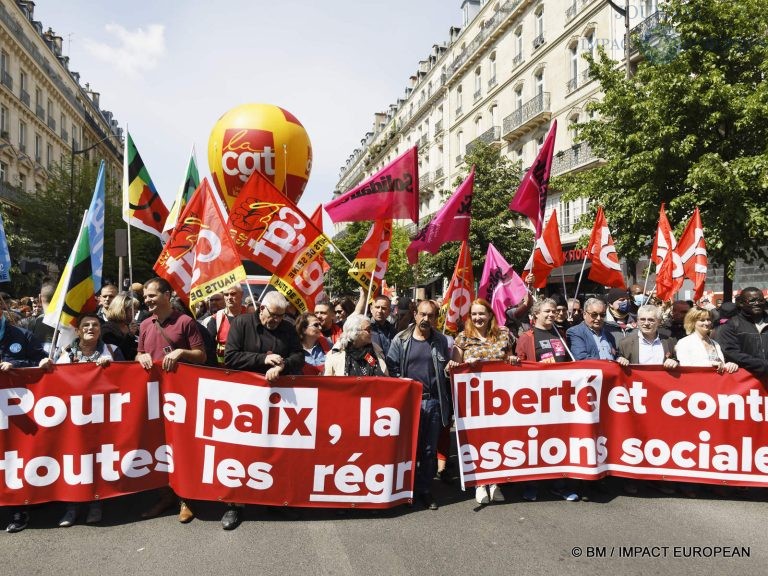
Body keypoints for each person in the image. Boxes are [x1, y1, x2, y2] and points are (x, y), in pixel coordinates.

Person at [222, 291, 304, 530]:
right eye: (273, 316)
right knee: (241, 452)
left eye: (281, 316)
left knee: (274, 450)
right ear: (261, 309)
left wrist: (284, 365)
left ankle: (274, 499)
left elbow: (299, 355)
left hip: (277, 401)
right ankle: (234, 505)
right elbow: (231, 358)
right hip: (245, 401)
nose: (277, 321)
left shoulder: (287, 328)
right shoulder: (242, 323)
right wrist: (263, 360)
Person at [135, 277, 206, 523]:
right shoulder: (145, 324)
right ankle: (165, 495)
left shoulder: (186, 322)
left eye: (152, 295)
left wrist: (181, 352)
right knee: (158, 444)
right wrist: (140, 357)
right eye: (145, 297)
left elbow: (201, 356)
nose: (147, 300)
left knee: (181, 445)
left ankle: (186, 497)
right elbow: (140, 353)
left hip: (181, 397)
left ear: (167, 295)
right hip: (155, 395)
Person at [55, 313, 124, 527]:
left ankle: (96, 503)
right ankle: (72, 506)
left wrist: (112, 369)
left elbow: (127, 379)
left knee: (97, 460)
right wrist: (47, 365)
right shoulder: (65, 354)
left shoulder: (112, 351)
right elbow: (54, 382)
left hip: (102, 418)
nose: (90, 328)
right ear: (77, 330)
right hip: (73, 419)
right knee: (74, 460)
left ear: (100, 330)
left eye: (95, 325)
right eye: (86, 325)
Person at [450, 298, 518, 505]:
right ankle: (480, 483)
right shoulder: (463, 338)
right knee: (478, 439)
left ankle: (496, 482)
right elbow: (452, 367)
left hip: (501, 398)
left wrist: (512, 360)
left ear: (490, 315)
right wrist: (462, 365)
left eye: (482, 313)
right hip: (473, 399)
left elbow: (511, 359)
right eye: (474, 314)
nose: (478, 318)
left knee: (499, 438)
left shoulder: (505, 334)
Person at [387, 300, 451, 511]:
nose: (426, 319)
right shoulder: (401, 339)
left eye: (430, 315)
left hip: (433, 402)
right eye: (422, 314)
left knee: (429, 449)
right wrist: (402, 384)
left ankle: (424, 489)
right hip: (409, 402)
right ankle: (407, 489)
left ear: (435, 318)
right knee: (408, 448)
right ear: (415, 315)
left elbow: (447, 371)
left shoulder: (441, 341)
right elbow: (391, 368)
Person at [616, 304, 678, 496]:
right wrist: (620, 361)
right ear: (637, 321)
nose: (646, 323)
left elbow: (681, 364)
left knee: (661, 440)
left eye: (651, 320)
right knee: (634, 439)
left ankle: (660, 479)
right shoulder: (627, 343)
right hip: (636, 400)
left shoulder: (670, 341)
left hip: (663, 401)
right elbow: (616, 366)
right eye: (643, 319)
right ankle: (631, 478)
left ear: (659, 322)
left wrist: (675, 362)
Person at [1, 305, 53, 534]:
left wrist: (15, 367)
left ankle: (18, 509)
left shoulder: (22, 335)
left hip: (19, 412)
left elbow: (42, 364)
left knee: (15, 457)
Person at [717, 288, 768, 375]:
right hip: (747, 380)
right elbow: (731, 352)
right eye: (752, 301)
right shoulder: (731, 325)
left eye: (760, 300)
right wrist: (763, 365)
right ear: (741, 303)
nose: (757, 303)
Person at [566, 297, 629, 366]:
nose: (598, 318)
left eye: (602, 315)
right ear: (584, 315)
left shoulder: (609, 335)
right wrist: (607, 365)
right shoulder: (575, 332)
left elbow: (614, 355)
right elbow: (581, 359)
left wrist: (620, 359)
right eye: (594, 314)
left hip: (610, 374)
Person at [677, 307, 738, 374]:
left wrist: (729, 365)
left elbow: (721, 366)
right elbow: (685, 367)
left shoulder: (715, 344)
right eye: (702, 320)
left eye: (708, 319)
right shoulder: (684, 342)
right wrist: (710, 365)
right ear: (693, 322)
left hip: (715, 382)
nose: (707, 323)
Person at [517, 298, 572, 364]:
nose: (551, 314)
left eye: (554, 312)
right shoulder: (526, 337)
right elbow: (520, 362)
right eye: (547, 311)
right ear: (537, 313)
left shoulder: (561, 334)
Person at [205, 284, 245, 366]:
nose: (229, 297)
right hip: (222, 371)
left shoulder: (251, 315)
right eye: (226, 295)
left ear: (241, 294)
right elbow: (208, 347)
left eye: (233, 294)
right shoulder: (216, 319)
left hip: (246, 370)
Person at [101, 292, 140, 361]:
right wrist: (130, 335)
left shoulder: (132, 327)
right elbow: (117, 353)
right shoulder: (107, 329)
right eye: (133, 309)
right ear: (122, 310)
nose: (136, 312)